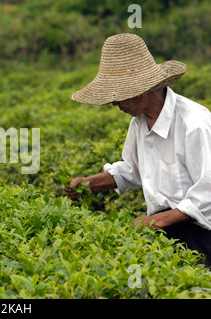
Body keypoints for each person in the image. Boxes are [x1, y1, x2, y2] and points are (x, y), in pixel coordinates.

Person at [64, 33, 211, 267]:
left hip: (200, 235)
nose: (114, 103)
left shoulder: (193, 123)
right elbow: (132, 170)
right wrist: (88, 183)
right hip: (163, 232)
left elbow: (207, 192)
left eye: (118, 95)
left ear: (144, 89)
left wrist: (156, 221)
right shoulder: (139, 122)